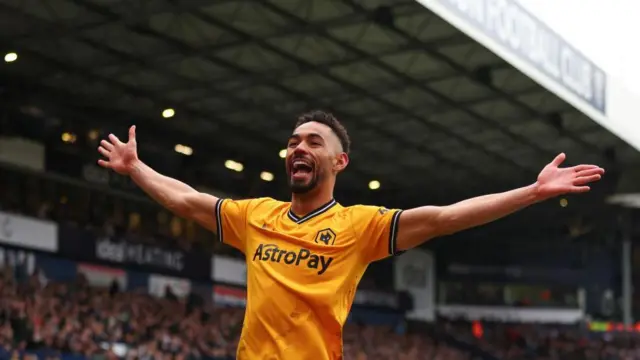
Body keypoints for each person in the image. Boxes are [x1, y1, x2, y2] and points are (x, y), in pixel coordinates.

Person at [97, 110, 604, 360]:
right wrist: (136, 168)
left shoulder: (361, 226)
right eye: (293, 141)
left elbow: (449, 216)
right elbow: (186, 201)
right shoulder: (256, 215)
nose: (299, 147)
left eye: (313, 141)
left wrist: (532, 192)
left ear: (339, 161)